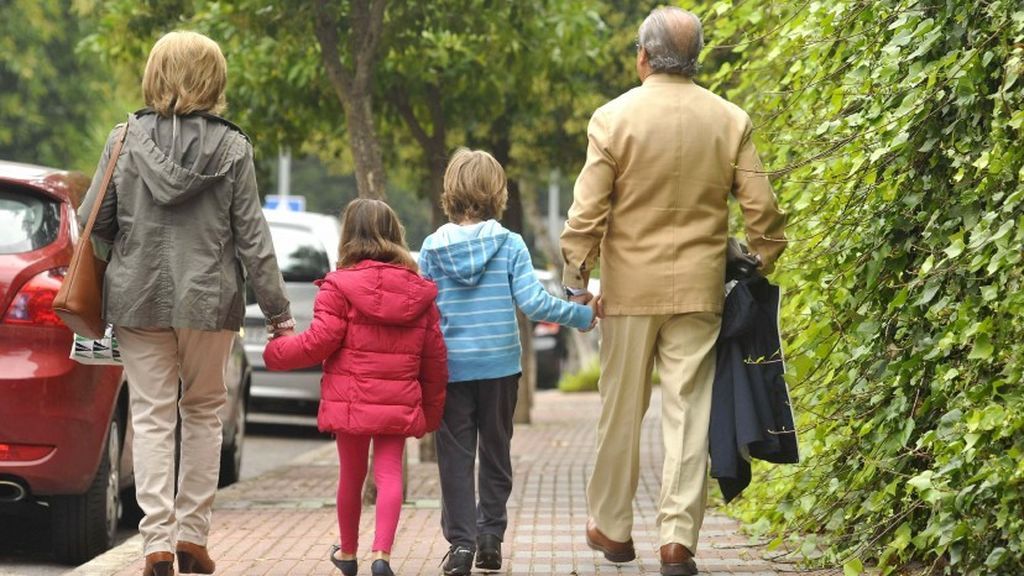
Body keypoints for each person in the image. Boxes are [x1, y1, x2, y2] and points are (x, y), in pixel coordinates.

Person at [559, 7, 788, 576]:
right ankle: (677, 541)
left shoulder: (612, 119)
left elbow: (587, 212)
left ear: (642, 54)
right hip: (699, 291)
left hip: (630, 291)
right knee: (688, 412)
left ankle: (612, 529)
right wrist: (757, 258)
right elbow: (763, 211)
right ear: (697, 58)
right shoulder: (729, 119)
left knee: (621, 411)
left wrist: (577, 278)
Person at [77, 31, 293, 576]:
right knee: (202, 411)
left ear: (156, 75)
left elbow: (91, 222)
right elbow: (253, 237)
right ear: (213, 80)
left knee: (150, 416)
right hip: (209, 299)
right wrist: (278, 313)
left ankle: (156, 543)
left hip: (137, 295)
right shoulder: (234, 148)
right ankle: (194, 536)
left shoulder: (124, 139)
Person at [418, 148, 596, 576]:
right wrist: (583, 315)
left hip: (452, 369)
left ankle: (460, 547)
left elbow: (424, 311)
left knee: (456, 458)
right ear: (497, 192)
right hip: (500, 367)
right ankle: (491, 538)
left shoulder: (432, 248)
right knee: (496, 452)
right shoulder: (510, 243)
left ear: (451, 190)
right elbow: (533, 303)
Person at [264, 198, 448, 576]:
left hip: (351, 401)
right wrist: (430, 411)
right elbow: (435, 359)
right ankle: (382, 555)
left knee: (351, 475)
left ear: (348, 235)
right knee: (389, 474)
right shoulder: (419, 292)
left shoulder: (339, 286)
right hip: (397, 400)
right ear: (395, 233)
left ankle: (348, 554)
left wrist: (276, 352)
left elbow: (319, 342)